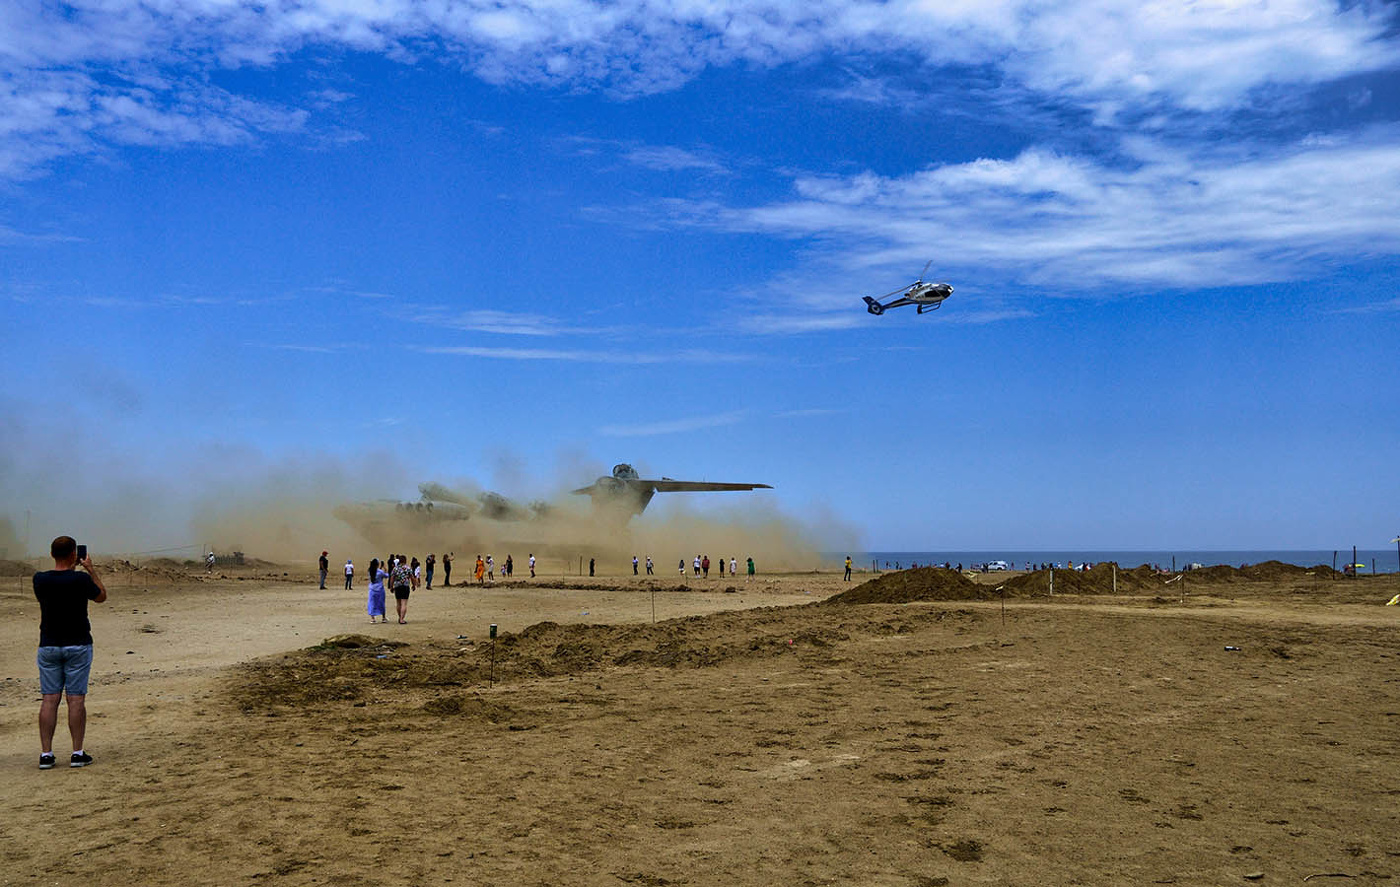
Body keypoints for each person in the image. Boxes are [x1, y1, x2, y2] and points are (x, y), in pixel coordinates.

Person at [34, 536, 108, 769]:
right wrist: (90, 570)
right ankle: (77, 752)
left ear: (52, 554)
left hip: (48, 645)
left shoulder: (39, 579)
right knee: (75, 699)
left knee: (49, 699)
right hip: (78, 644)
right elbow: (101, 596)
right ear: (74, 554)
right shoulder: (81, 579)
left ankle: (46, 754)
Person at [389, 557, 413, 624]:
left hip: (397, 587)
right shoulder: (408, 568)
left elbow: (392, 578)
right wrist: (414, 585)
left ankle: (400, 617)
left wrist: (391, 587)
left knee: (398, 603)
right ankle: (402, 619)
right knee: (404, 603)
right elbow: (412, 577)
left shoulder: (395, 568)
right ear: (405, 560)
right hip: (405, 586)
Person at [367, 557, 387, 624]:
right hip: (380, 589)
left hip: (372, 589)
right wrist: (385, 568)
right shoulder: (380, 572)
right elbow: (386, 575)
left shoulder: (370, 571)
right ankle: (383, 618)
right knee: (381, 603)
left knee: (372, 603)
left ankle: (373, 619)